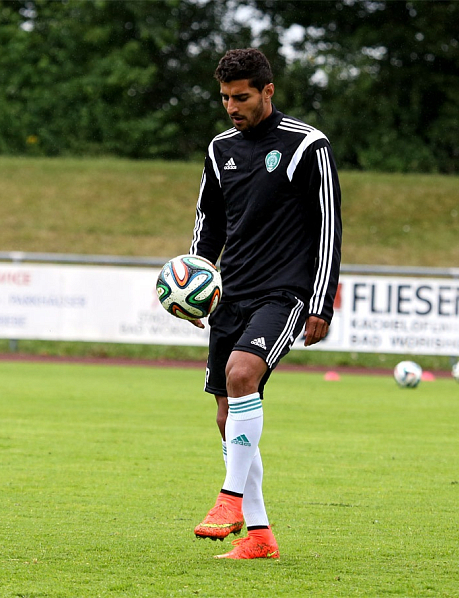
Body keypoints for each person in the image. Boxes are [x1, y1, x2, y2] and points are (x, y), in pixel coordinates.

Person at [187, 48, 342, 560]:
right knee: (225, 415)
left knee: (242, 373)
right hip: (231, 293)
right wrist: (196, 286)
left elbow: (329, 227)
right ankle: (259, 536)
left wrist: (320, 302)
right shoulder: (220, 149)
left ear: (267, 91)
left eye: (242, 97)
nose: (232, 107)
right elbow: (209, 223)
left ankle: (229, 499)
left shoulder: (307, 145)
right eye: (225, 98)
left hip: (285, 292)